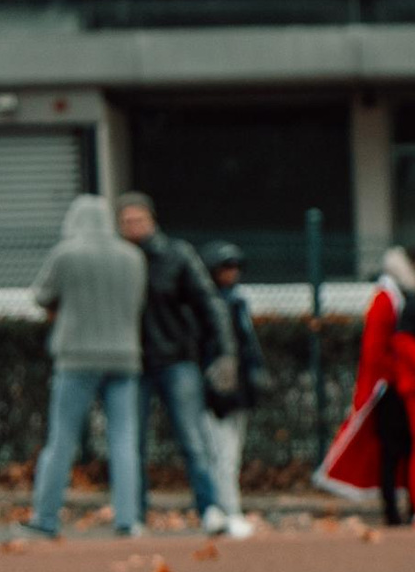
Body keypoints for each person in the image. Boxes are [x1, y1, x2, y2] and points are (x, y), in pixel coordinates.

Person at [26, 193, 146, 539]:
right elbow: (136, 301)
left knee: (62, 437)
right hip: (124, 355)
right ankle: (128, 518)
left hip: (77, 356)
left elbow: (42, 296)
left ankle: (46, 516)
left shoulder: (66, 254)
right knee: (124, 438)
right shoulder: (132, 257)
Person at [114, 189, 229, 534]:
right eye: (126, 222)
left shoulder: (177, 255)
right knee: (131, 442)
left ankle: (210, 509)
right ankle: (134, 513)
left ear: (152, 219)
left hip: (177, 359)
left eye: (139, 220)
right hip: (133, 364)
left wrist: (225, 351)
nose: (133, 227)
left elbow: (208, 302)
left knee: (193, 439)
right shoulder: (118, 261)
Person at [343, 246, 415, 527]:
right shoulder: (391, 298)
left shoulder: (402, 298)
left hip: (399, 384)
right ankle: (402, 508)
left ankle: (408, 507)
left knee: (407, 449)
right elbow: (382, 348)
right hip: (392, 388)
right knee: (399, 450)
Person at [199, 241, 264, 540]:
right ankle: (228, 510)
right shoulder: (207, 303)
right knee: (221, 454)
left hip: (238, 388)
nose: (232, 273)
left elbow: (249, 347)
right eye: (225, 267)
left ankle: (219, 509)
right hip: (217, 389)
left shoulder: (238, 301)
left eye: (235, 267)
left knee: (229, 453)